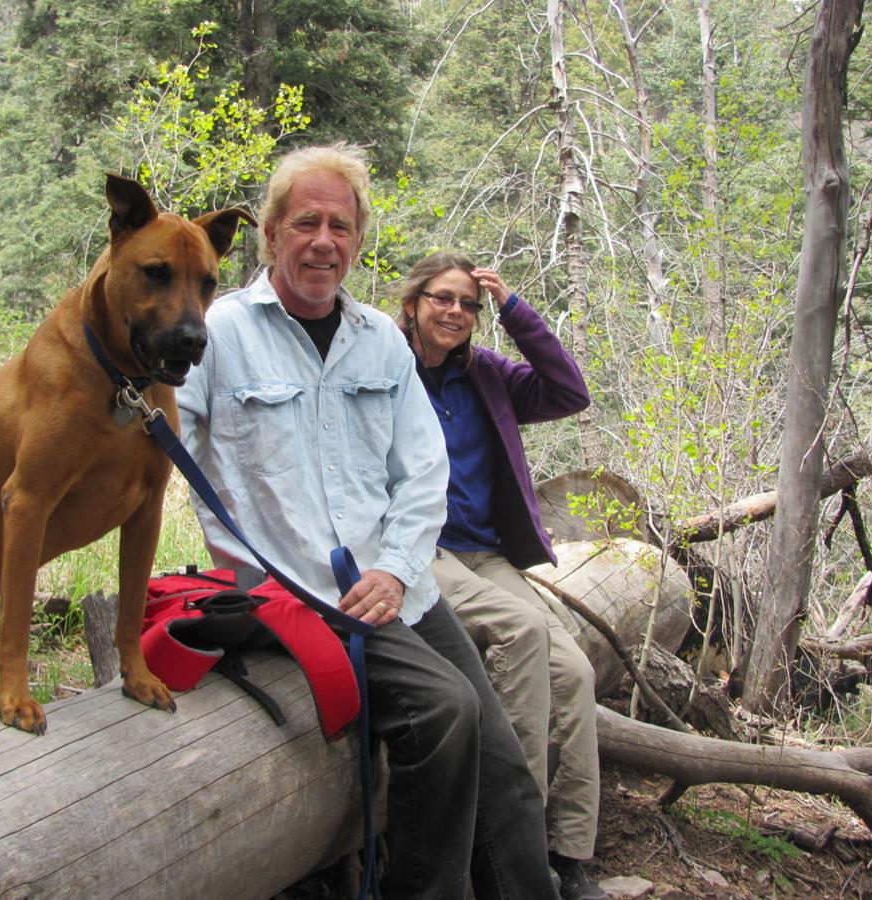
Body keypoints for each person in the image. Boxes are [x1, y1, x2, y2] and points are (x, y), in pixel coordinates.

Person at [176, 145, 558, 900]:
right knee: (444, 711)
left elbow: (424, 470)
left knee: (502, 756)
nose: (325, 241)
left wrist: (395, 566)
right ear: (274, 233)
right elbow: (165, 448)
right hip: (298, 593)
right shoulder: (220, 333)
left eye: (341, 226)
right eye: (307, 222)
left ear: (359, 239)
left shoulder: (379, 339)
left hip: (398, 584)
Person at [397, 252, 607, 900]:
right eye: (442, 298)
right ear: (413, 304)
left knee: (575, 671)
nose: (455, 312)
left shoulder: (486, 373)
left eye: (468, 303)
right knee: (522, 631)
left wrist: (515, 310)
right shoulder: (386, 369)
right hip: (417, 549)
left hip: (485, 555)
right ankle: (512, 850)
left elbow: (570, 391)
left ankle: (567, 854)